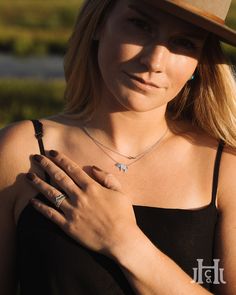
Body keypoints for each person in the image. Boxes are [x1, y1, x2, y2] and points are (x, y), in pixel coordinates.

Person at [0, 0, 236, 294]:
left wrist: (125, 242)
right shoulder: (19, 151)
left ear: (199, 61)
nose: (154, 61)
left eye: (184, 43)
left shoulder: (226, 169)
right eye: (140, 25)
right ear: (99, 22)